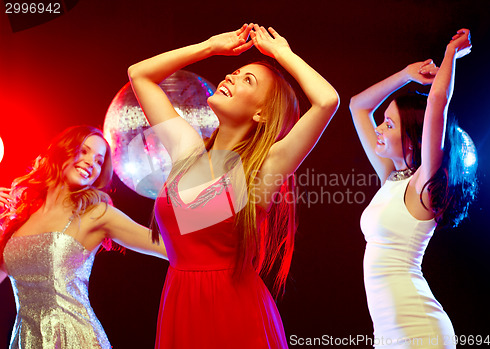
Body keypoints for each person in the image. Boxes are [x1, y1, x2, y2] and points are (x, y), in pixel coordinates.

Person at [128, 23, 339, 348]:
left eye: (247, 80)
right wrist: (210, 46)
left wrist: (282, 54)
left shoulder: (265, 168)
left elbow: (327, 101)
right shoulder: (187, 147)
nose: (230, 77)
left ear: (261, 114)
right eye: (235, 72)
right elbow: (139, 74)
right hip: (179, 307)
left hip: (236, 314)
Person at [349, 29, 477, 348]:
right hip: (390, 332)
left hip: (416, 329)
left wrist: (450, 56)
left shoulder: (423, 183)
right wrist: (406, 74)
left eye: (389, 125)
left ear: (415, 140)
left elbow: (437, 102)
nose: (378, 130)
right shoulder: (392, 177)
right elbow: (357, 106)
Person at [0, 125, 168, 349]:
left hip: (73, 338)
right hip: (24, 340)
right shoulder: (20, 218)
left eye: (99, 161)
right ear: (61, 151)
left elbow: (168, 247)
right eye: (84, 151)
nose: (91, 162)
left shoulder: (96, 213)